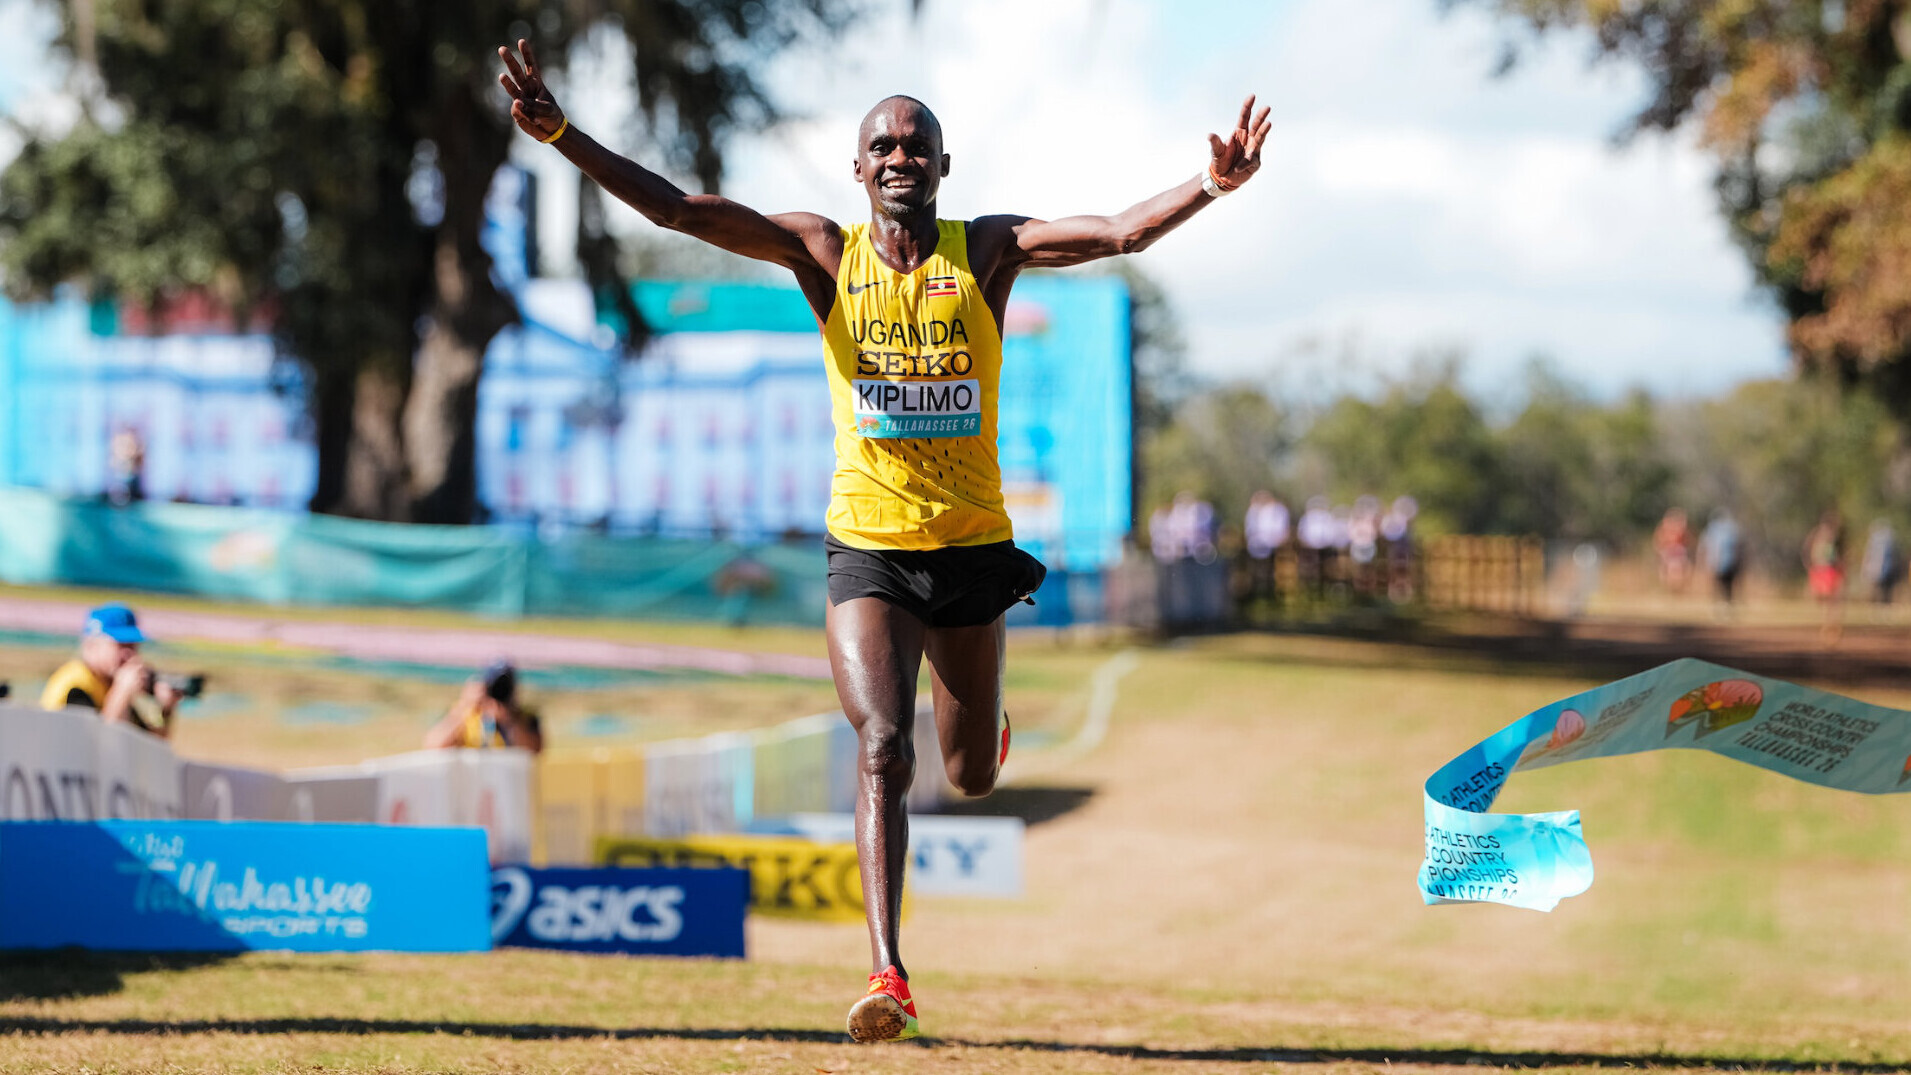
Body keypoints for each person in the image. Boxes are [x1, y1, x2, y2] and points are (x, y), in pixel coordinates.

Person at [498, 39, 1268, 1043]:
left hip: (971, 551)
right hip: (866, 546)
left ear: (942, 170)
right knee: (882, 746)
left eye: (918, 145)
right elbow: (680, 213)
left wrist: (1212, 182)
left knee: (971, 774)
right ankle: (888, 971)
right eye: (882, 146)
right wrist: (565, 136)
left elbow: (1119, 232)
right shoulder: (823, 253)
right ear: (857, 171)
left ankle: (983, 723)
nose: (900, 157)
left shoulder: (986, 249)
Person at [40, 603, 183, 739]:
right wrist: (122, 692)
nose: (129, 655)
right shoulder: (75, 686)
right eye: (121, 646)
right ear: (91, 646)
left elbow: (147, 746)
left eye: (133, 646)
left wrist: (166, 710)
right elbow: (102, 746)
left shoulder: (107, 683)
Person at [423, 660, 544, 754]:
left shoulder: (526, 719)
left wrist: (509, 722)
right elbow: (433, 746)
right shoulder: (466, 715)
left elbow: (534, 750)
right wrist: (465, 707)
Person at [1803, 509, 1846, 646]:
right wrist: (1810, 565)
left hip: (1830, 571)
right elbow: (1808, 551)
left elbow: (1840, 556)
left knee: (1832, 601)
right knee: (1824, 600)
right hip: (1821, 571)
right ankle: (1828, 626)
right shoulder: (1817, 536)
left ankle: (1831, 627)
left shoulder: (1835, 538)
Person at [1698, 509, 1744, 615]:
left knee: (1725, 586)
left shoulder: (1728, 531)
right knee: (1721, 586)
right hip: (1720, 564)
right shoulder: (1725, 531)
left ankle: (1725, 606)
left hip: (1725, 564)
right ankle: (1721, 606)